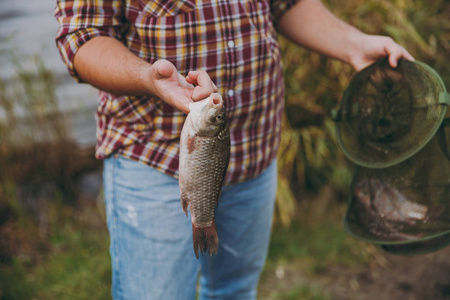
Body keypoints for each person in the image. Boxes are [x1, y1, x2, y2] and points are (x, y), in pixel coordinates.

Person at [54, 0, 413, 299]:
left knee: (235, 291)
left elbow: (284, 4)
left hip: (257, 150)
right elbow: (82, 36)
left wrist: (353, 44)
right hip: (153, 157)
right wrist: (148, 78)